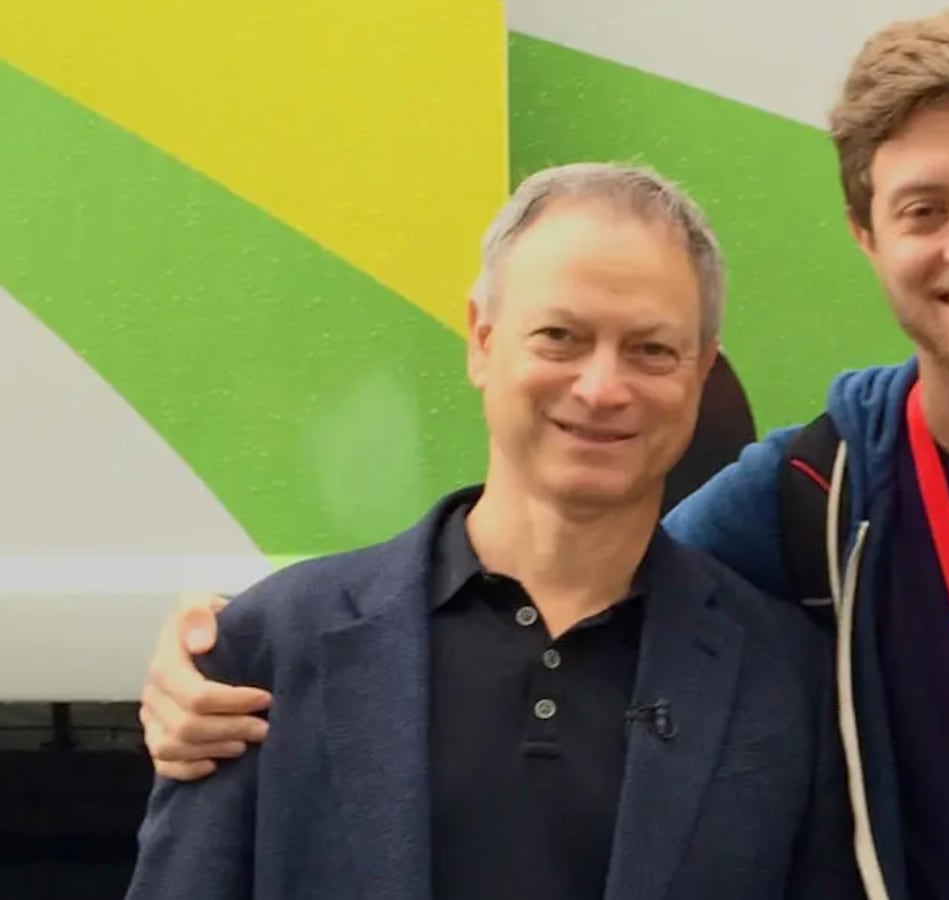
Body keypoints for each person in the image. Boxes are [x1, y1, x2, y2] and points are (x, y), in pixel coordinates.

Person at [138, 11, 949, 900]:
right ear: (869, 239)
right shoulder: (813, 497)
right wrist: (207, 663)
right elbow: (579, 574)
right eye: (923, 208)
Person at [123, 162, 862, 900]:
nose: (602, 388)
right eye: (560, 337)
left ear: (700, 374)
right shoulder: (266, 653)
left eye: (651, 350)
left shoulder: (790, 684)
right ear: (481, 340)